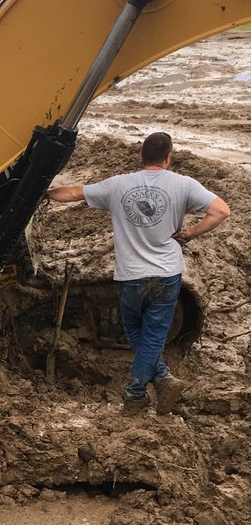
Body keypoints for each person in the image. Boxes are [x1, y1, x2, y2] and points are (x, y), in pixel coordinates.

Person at [46, 131, 230, 415]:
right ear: (169, 157)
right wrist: (190, 234)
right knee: (152, 335)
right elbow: (221, 211)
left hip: (131, 274)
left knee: (134, 329)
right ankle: (159, 380)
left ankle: (137, 393)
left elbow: (72, 193)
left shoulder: (119, 184)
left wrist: (41, 194)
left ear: (141, 157)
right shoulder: (184, 184)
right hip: (167, 273)